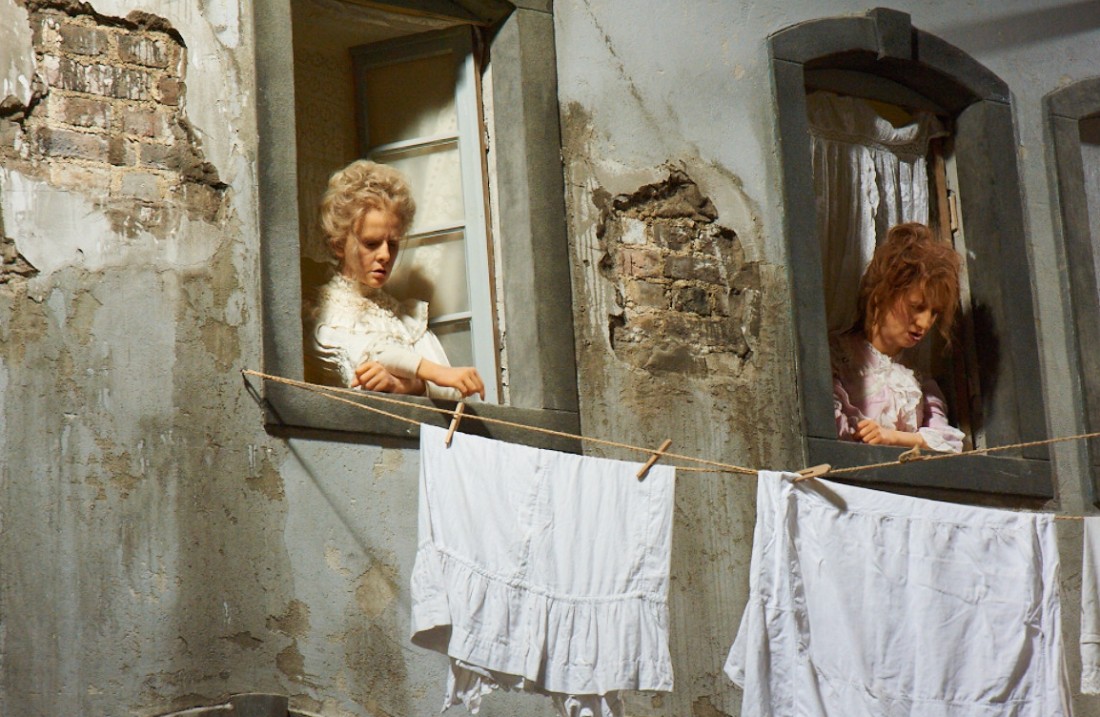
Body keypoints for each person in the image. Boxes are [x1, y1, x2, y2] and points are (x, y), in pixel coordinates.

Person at [306, 160, 485, 400]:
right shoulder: (324, 310)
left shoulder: (402, 317)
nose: (385, 255)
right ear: (338, 244)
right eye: (371, 243)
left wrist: (402, 386)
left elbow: (452, 391)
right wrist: (434, 373)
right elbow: (369, 353)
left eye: (393, 244)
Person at [831, 222, 965, 453]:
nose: (924, 323)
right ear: (881, 297)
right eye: (916, 307)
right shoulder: (835, 358)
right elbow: (836, 430)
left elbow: (948, 443)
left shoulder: (919, 381)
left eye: (934, 313)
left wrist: (892, 437)